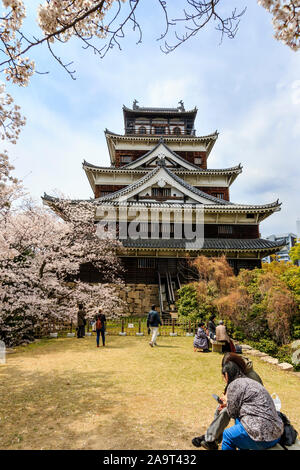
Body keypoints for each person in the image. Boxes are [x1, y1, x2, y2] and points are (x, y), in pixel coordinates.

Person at [192, 352, 263, 450]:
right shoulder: (238, 372)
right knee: (219, 409)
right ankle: (213, 439)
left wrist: (228, 403)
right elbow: (231, 388)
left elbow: (245, 399)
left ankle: (210, 438)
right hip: (243, 404)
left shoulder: (250, 377)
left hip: (253, 410)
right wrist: (225, 398)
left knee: (226, 411)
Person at [220, 361, 284, 450]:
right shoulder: (251, 382)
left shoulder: (233, 385)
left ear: (226, 375)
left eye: (223, 377)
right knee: (240, 422)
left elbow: (232, 413)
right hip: (276, 434)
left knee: (227, 436)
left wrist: (227, 402)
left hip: (262, 439)